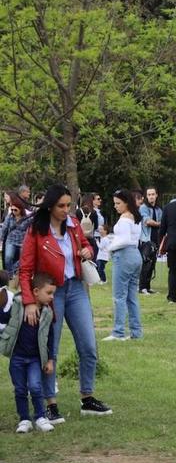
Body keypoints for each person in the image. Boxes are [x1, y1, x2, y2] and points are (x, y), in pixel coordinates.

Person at [18, 184, 112, 421]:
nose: (66, 210)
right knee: (50, 348)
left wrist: (88, 251)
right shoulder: (36, 231)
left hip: (76, 288)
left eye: (69, 205)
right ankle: (50, 403)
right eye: (61, 206)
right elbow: (25, 268)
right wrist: (30, 301)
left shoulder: (73, 224)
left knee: (89, 345)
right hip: (51, 293)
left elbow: (86, 244)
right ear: (50, 205)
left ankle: (87, 397)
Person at [2, 272, 57, 433]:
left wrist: (50, 360)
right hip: (17, 357)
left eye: (53, 293)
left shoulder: (47, 313)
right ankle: (24, 419)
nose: (52, 297)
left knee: (35, 387)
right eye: (48, 293)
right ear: (35, 291)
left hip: (35, 359)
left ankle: (40, 417)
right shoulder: (17, 304)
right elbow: (4, 318)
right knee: (20, 389)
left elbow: (50, 338)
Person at [103, 190, 143, 341]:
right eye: (115, 203)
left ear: (127, 203)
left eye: (118, 203)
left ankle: (118, 332)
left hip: (124, 256)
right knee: (132, 297)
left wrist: (110, 247)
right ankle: (136, 332)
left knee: (119, 296)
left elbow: (124, 239)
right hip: (135, 255)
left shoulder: (125, 218)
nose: (116, 206)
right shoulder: (136, 217)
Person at [138, 187, 162, 295]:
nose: (151, 196)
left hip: (155, 240)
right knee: (145, 263)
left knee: (152, 264)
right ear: (146, 196)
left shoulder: (158, 210)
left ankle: (147, 287)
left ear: (156, 195)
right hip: (146, 240)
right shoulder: (143, 208)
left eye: (153, 194)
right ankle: (142, 287)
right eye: (149, 194)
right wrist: (160, 224)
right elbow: (147, 221)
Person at [1, 193, 30, 274]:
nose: (13, 211)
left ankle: (13, 271)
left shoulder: (27, 218)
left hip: (22, 241)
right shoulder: (10, 217)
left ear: (20, 209)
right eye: (12, 209)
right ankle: (10, 275)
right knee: (8, 258)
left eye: (15, 210)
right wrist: (1, 240)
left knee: (23, 259)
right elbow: (4, 228)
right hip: (11, 241)